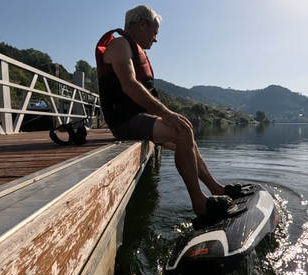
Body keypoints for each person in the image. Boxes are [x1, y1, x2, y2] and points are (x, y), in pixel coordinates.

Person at [95, 5, 249, 218]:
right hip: (125, 122)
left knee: (186, 135)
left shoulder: (130, 47)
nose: (155, 39)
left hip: (140, 118)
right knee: (181, 131)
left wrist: (165, 116)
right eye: (154, 32)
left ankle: (215, 188)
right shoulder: (119, 44)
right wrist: (166, 114)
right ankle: (200, 203)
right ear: (142, 24)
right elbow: (129, 85)